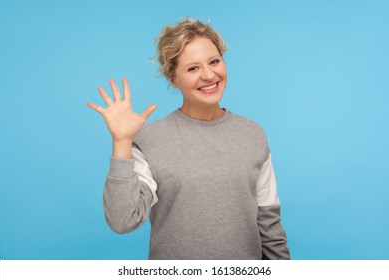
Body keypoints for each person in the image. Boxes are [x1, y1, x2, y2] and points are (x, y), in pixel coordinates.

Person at [87, 18, 290, 260]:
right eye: (193, 68)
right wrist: (121, 142)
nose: (208, 75)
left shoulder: (252, 134)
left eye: (214, 61)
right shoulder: (150, 139)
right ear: (173, 79)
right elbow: (122, 220)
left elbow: (269, 222)